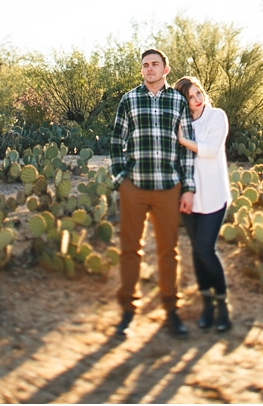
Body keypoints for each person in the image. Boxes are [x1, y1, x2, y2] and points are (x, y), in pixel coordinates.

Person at [109, 49, 196, 338]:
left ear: (166, 69)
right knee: (130, 250)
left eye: (155, 64)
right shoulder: (129, 100)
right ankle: (127, 312)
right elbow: (115, 141)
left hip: (168, 187)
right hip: (134, 185)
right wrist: (121, 178)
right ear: (142, 70)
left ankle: (172, 311)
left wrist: (188, 187)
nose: (149, 69)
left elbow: (187, 146)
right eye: (145, 65)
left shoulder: (178, 101)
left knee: (167, 251)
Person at [173, 76, 232, 332]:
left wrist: (183, 140)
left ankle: (222, 304)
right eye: (191, 97)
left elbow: (210, 148)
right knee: (196, 251)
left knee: (206, 249)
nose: (197, 100)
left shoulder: (217, 116)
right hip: (190, 196)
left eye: (199, 93)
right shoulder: (182, 122)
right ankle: (207, 304)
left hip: (215, 196)